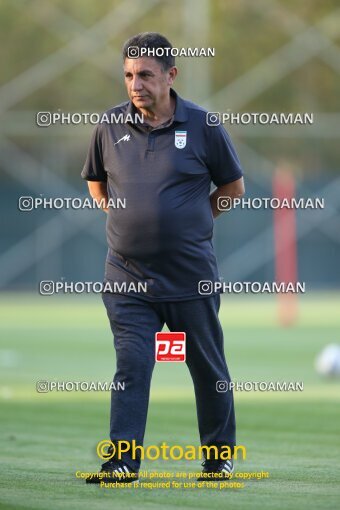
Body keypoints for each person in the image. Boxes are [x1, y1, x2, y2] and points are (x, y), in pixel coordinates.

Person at [82, 32, 245, 484]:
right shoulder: (109, 125)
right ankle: (121, 463)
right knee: (132, 366)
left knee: (207, 368)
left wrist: (197, 221)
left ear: (171, 76)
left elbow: (233, 188)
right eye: (129, 76)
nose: (136, 84)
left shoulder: (204, 126)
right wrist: (122, 218)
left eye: (146, 75)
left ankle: (218, 458)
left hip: (190, 277)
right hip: (127, 277)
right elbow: (96, 181)